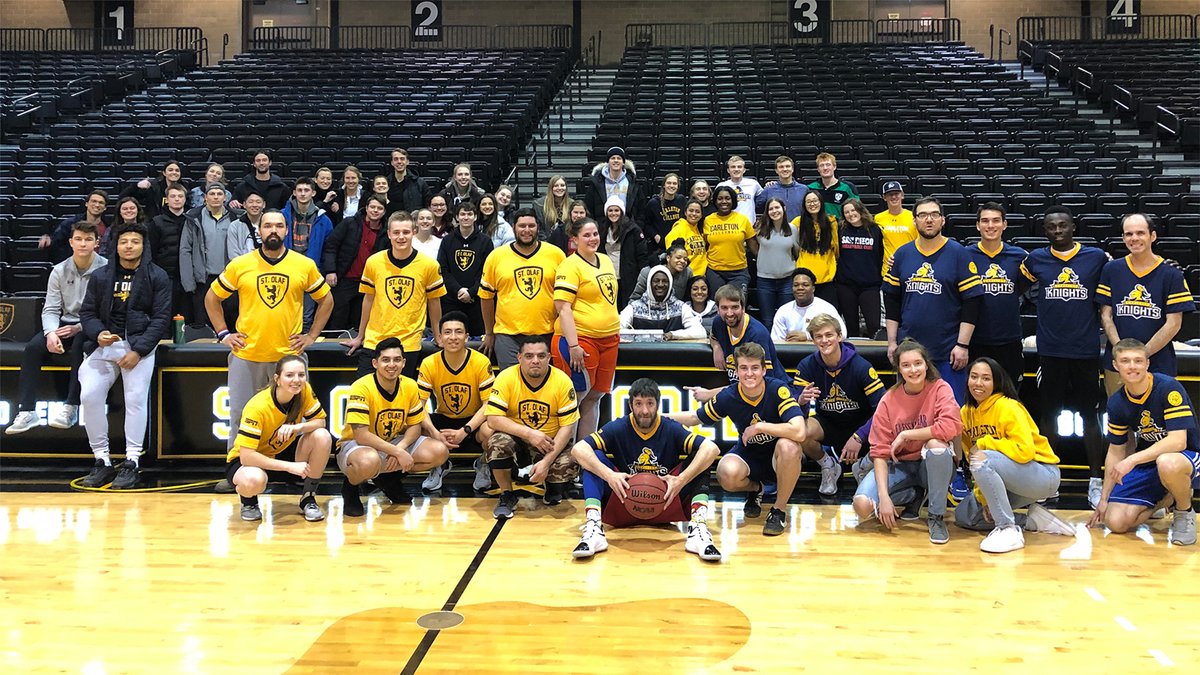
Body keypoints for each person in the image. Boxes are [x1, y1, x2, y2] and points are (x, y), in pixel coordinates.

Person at [205, 210, 333, 465]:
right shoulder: (240, 265)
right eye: (267, 226)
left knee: (294, 418)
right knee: (241, 416)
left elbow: (326, 299)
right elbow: (212, 298)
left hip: (288, 359)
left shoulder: (304, 264)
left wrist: (312, 336)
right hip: (247, 354)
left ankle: (293, 469)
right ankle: (236, 470)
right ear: (259, 231)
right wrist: (224, 334)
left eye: (279, 226)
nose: (273, 230)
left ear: (287, 231)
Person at [571, 377, 722, 561]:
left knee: (700, 460)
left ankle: (697, 529)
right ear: (630, 405)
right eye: (639, 404)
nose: (644, 410)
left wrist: (681, 480)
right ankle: (594, 528)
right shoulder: (619, 427)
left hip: (665, 503)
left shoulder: (669, 427)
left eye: (650, 403)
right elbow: (578, 449)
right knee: (595, 459)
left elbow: (711, 449)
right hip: (623, 502)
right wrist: (609, 475)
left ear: (658, 404)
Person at [1019, 206, 1108, 507]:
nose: (1058, 231)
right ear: (1045, 230)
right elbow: (1011, 288)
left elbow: (1123, 273)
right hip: (1051, 351)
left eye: (1063, 226)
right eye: (1051, 227)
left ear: (1073, 227)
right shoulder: (1036, 260)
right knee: (1049, 416)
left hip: (1085, 351)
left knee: (1090, 416)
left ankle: (1096, 479)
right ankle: (1048, 478)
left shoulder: (1095, 257)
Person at [669, 342, 806, 536]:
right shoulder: (729, 396)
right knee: (726, 473)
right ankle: (756, 488)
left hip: (779, 457)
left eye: (754, 368)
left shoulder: (778, 390)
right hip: (749, 453)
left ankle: (778, 510)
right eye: (743, 368)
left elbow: (800, 431)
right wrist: (660, 417)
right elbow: (694, 418)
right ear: (736, 371)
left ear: (764, 370)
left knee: (789, 446)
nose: (749, 374)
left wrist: (759, 427)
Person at [77, 223, 171, 489]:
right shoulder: (101, 276)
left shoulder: (158, 275)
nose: (129, 246)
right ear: (115, 246)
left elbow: (161, 318)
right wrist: (98, 334)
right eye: (124, 242)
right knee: (89, 395)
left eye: (135, 241)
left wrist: (138, 350)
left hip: (139, 346)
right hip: (104, 345)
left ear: (144, 245)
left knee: (135, 399)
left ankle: (131, 461)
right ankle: (102, 460)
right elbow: (87, 313)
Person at [954, 358, 1075, 553]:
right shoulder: (965, 413)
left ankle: (1007, 528)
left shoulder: (1008, 406)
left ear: (996, 382)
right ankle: (1033, 520)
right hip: (1006, 478)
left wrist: (985, 443)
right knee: (965, 515)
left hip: (1042, 474)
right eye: (974, 377)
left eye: (986, 378)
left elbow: (1024, 451)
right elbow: (972, 458)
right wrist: (984, 499)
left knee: (982, 458)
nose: (978, 383)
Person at [1088, 338, 1197, 546]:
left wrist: (1133, 460)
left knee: (1168, 462)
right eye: (1125, 361)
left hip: (1187, 458)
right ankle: (1166, 499)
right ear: (1115, 365)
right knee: (1115, 522)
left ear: (1147, 364)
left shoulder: (1168, 388)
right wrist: (1104, 499)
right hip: (1150, 462)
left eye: (1138, 361)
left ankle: (1184, 512)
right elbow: (1116, 451)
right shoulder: (1117, 402)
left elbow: (1178, 441)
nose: (1132, 367)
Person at [852, 340, 962, 544]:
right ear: (899, 369)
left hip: (932, 466)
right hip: (899, 465)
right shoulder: (888, 400)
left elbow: (950, 427)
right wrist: (884, 498)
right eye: (906, 365)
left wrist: (906, 435)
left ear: (926, 365)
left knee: (936, 445)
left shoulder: (940, 388)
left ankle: (936, 517)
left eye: (918, 363)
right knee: (862, 506)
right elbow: (880, 452)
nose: (913, 370)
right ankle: (913, 495)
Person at [6, 221, 106, 436]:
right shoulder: (59, 270)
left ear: (96, 243)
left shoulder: (105, 269)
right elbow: (50, 309)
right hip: (64, 323)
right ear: (71, 242)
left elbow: (104, 311)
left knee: (80, 343)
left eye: (88, 239)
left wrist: (79, 327)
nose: (82, 243)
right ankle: (27, 411)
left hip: (91, 324)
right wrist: (51, 333)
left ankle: (71, 406)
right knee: (33, 348)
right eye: (78, 239)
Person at [884, 197, 983, 403]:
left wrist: (962, 345)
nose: (929, 220)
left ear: (943, 220)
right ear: (914, 221)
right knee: (910, 413)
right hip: (909, 351)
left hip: (948, 352)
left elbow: (972, 302)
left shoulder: (958, 253)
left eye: (934, 215)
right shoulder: (902, 254)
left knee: (951, 413)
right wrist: (892, 342)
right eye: (922, 215)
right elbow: (892, 300)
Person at [337, 338, 450, 517]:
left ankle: (387, 479)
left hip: (392, 442)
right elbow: (361, 435)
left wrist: (401, 447)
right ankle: (350, 489)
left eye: (397, 359)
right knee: (368, 461)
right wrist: (397, 452)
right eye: (386, 360)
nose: (392, 365)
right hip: (356, 446)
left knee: (439, 451)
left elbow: (414, 426)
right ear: (375, 363)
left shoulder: (410, 385)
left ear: (404, 363)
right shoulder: (361, 387)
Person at [224, 355, 333, 522]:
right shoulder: (258, 406)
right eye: (289, 375)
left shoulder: (304, 391)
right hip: (248, 460)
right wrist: (289, 467)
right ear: (277, 379)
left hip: (280, 450)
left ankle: (308, 498)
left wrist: (299, 427)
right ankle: (249, 502)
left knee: (322, 436)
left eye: (301, 375)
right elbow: (247, 456)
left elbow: (320, 422)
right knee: (252, 480)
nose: (296, 380)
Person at [485, 335, 580, 518]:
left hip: (549, 443)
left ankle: (552, 487)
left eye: (541, 356)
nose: (535, 361)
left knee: (573, 459)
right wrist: (529, 434)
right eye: (529, 356)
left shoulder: (562, 381)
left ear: (549, 357)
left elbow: (567, 427)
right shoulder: (506, 377)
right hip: (518, 442)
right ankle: (507, 494)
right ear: (519, 358)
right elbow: (493, 419)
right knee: (496, 443)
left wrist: (546, 462)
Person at [343, 211, 445, 378]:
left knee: (402, 398)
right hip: (374, 340)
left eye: (405, 232)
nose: (401, 237)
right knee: (366, 393)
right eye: (396, 232)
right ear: (389, 234)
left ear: (414, 232)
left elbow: (434, 303)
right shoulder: (374, 262)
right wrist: (360, 335)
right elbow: (368, 300)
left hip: (408, 344)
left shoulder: (429, 265)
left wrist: (438, 335)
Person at [1098, 213, 1194, 388]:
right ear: (1123, 238)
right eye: (1129, 234)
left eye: (1140, 233)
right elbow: (1106, 315)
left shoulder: (1171, 274)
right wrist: (1123, 354)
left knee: (1157, 415)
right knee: (1119, 413)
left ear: (1153, 236)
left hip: (1159, 364)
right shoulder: (1111, 269)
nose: (1134, 238)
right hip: (1117, 364)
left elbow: (1174, 324)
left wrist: (1140, 356)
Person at [793, 314, 884, 496]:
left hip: (861, 425)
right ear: (813, 340)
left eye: (829, 335)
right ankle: (828, 466)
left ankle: (864, 466)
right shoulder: (807, 366)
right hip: (828, 423)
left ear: (839, 336)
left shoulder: (861, 367)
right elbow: (792, 413)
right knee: (797, 431)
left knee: (890, 426)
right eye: (819, 336)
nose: (824, 341)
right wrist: (800, 401)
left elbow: (883, 410)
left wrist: (859, 436)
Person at [552, 217, 621, 440]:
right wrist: (573, 345)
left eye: (595, 234)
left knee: (596, 396)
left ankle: (584, 453)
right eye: (587, 235)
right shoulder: (569, 265)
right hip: (580, 339)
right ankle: (564, 456)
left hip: (609, 339)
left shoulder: (605, 259)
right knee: (575, 398)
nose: (593, 239)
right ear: (574, 239)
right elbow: (563, 308)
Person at [417, 313, 496, 493]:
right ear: (440, 337)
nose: (453, 337)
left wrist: (465, 430)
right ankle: (439, 463)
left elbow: (488, 405)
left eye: (458, 332)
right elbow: (419, 406)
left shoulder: (481, 362)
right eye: (448, 332)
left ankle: (483, 463)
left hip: (473, 422)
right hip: (444, 419)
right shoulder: (429, 363)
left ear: (467, 337)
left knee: (492, 428)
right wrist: (434, 432)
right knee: (412, 424)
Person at [479, 208, 566, 369]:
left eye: (531, 226)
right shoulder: (496, 256)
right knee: (512, 387)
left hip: (547, 333)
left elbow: (566, 298)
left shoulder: (556, 254)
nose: (527, 230)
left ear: (538, 227)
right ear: (513, 227)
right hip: (508, 336)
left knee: (544, 388)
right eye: (522, 226)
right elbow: (486, 297)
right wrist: (489, 333)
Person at [967, 202, 1028, 384]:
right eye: (985, 221)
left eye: (996, 221)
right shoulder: (964, 255)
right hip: (975, 339)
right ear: (978, 225)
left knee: (1010, 396)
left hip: (1009, 339)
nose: (990, 225)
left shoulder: (1019, 256)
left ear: (1004, 224)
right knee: (976, 395)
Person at [321, 194, 388, 332]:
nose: (375, 210)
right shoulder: (349, 223)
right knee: (338, 319)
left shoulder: (386, 231)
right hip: (344, 280)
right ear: (366, 208)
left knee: (361, 321)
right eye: (372, 207)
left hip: (368, 284)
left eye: (379, 208)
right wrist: (330, 271)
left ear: (384, 211)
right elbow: (331, 246)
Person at [181, 182, 241, 326]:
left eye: (219, 194)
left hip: (229, 280)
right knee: (204, 325)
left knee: (231, 326)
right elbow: (185, 249)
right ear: (205, 198)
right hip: (203, 281)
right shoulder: (193, 218)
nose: (215, 197)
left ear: (225, 197)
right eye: (212, 194)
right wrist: (189, 283)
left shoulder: (236, 218)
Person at [437, 201, 494, 337]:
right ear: (457, 217)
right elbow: (443, 270)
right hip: (452, 299)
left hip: (476, 300)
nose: (466, 217)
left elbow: (487, 271)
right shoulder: (447, 241)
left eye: (469, 214)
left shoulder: (485, 241)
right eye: (462, 214)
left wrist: (472, 292)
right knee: (453, 337)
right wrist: (458, 290)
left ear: (475, 217)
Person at [834, 198, 884, 338]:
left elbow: (880, 254)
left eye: (853, 210)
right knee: (850, 327)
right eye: (847, 212)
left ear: (860, 210)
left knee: (874, 325)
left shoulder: (874, 229)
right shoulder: (840, 229)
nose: (851, 214)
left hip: (870, 285)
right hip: (846, 285)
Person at [619, 264, 705, 339]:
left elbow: (700, 332)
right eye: (656, 281)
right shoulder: (634, 307)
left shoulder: (681, 307)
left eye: (664, 281)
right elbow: (616, 330)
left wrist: (673, 335)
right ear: (649, 284)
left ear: (670, 284)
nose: (660, 285)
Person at [702, 185, 758, 294]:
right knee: (717, 306)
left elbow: (754, 246)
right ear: (715, 201)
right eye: (720, 198)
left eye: (727, 198)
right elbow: (704, 246)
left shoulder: (742, 219)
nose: (724, 201)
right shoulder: (708, 220)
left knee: (737, 305)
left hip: (739, 271)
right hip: (715, 271)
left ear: (733, 200)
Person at [754, 197, 801, 325]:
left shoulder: (793, 229)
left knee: (785, 320)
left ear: (784, 209)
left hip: (787, 280)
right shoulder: (760, 229)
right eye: (771, 209)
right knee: (767, 321)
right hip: (765, 281)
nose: (774, 211)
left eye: (777, 207)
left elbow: (797, 253)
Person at [597, 195, 650, 309]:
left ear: (621, 212)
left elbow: (642, 256)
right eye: (610, 210)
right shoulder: (602, 229)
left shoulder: (633, 230)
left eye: (616, 210)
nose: (613, 213)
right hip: (608, 276)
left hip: (628, 277)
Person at [147, 183, 190, 320]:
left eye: (180, 196)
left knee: (186, 316)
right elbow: (151, 251)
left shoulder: (192, 221)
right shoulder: (156, 222)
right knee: (164, 314)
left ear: (185, 199)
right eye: (173, 196)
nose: (177, 199)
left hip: (187, 276)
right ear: (167, 199)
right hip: (165, 276)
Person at [771, 268, 846, 343]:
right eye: (796, 285)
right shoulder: (783, 310)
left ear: (813, 289)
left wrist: (808, 336)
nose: (800, 288)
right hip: (789, 352)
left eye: (805, 285)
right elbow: (776, 340)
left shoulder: (826, 308)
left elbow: (842, 334)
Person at [792, 191, 839, 305]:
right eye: (808, 202)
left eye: (815, 201)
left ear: (821, 202)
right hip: (805, 279)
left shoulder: (831, 221)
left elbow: (836, 249)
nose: (812, 204)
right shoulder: (798, 222)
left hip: (827, 279)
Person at [584, 146, 644, 228]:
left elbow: (641, 209)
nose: (616, 160)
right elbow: (589, 208)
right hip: (602, 228)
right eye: (612, 158)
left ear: (623, 162)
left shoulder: (633, 182)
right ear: (608, 162)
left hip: (627, 227)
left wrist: (636, 227)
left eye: (619, 158)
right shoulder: (597, 182)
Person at [43, 190, 109, 263]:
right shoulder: (69, 224)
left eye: (101, 203)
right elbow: (57, 243)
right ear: (86, 204)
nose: (97, 205)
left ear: (105, 207)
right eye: (94, 201)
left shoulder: (110, 227)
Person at [281, 177, 334, 266]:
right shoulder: (281, 216)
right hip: (286, 266)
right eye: (299, 190)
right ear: (294, 193)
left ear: (313, 193)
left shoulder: (324, 220)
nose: (303, 194)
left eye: (306, 190)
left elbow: (329, 249)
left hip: (311, 268)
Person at [875, 181, 915, 274]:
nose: (893, 197)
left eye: (896, 194)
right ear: (884, 197)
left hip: (910, 267)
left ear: (902, 195)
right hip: (888, 270)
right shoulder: (878, 218)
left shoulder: (913, 216)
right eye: (890, 194)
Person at [755, 155, 809, 222]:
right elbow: (755, 207)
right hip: (775, 230)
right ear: (776, 170)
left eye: (788, 166)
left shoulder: (804, 189)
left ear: (792, 169)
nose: (785, 169)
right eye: (781, 167)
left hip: (799, 229)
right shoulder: (768, 190)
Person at [806, 152, 859, 220]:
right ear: (818, 169)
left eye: (828, 165)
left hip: (841, 228)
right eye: (821, 165)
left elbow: (858, 209)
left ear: (834, 167)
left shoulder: (847, 187)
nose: (825, 168)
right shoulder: (811, 188)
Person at [642, 172, 686, 253]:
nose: (672, 186)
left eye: (674, 183)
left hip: (678, 244)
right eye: (669, 183)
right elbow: (646, 224)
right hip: (660, 246)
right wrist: (656, 236)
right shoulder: (654, 203)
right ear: (664, 186)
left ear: (678, 186)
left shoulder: (681, 200)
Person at [665, 198, 708, 278]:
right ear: (685, 212)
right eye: (691, 211)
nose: (694, 214)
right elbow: (671, 256)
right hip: (685, 277)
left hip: (701, 276)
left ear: (701, 215)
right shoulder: (678, 229)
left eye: (697, 211)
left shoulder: (698, 230)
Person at [717, 155, 764, 223]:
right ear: (728, 170)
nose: (736, 169)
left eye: (739, 167)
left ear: (744, 170)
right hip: (729, 226)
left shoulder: (753, 184)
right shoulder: (721, 186)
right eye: (733, 167)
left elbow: (763, 198)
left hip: (749, 227)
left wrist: (770, 184)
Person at [386, 148, 431, 214]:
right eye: (396, 159)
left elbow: (428, 205)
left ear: (407, 162)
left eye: (402, 159)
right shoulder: (386, 183)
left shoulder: (420, 183)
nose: (399, 162)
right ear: (392, 163)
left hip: (413, 222)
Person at [225, 192, 265, 261]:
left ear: (264, 204)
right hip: (243, 268)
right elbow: (233, 254)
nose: (254, 205)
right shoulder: (235, 226)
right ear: (244, 204)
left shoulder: (271, 224)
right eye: (250, 202)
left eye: (258, 202)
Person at [534, 175, 572, 241]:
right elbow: (539, 229)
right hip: (546, 243)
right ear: (551, 188)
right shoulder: (539, 204)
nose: (560, 188)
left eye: (562, 185)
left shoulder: (572, 204)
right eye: (556, 186)